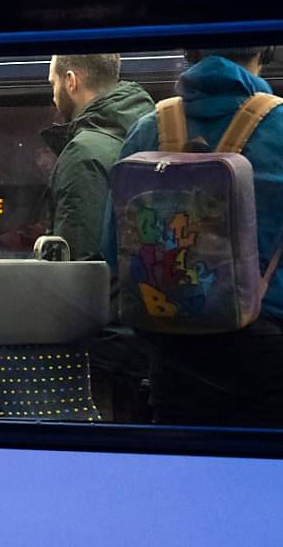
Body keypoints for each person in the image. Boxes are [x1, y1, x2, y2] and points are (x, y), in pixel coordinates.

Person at [111, 47, 283, 426]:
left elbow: (115, 250)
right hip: (271, 357)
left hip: (174, 359)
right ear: (268, 49)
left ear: (189, 50)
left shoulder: (148, 129)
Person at [41, 54, 155, 261]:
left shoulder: (83, 154)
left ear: (70, 81)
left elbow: (80, 263)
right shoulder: (148, 131)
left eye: (54, 84)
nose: (53, 96)